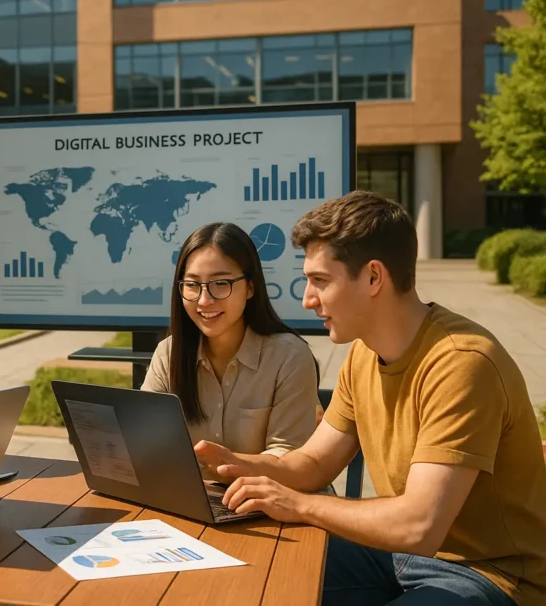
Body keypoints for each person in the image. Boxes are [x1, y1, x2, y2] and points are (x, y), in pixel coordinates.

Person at [195, 191, 546, 606]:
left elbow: (419, 526)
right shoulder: (363, 353)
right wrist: (236, 464)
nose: (308, 299)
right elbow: (314, 463)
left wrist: (299, 505)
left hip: (490, 575)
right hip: (398, 557)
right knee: (246, 570)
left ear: (374, 277)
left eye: (320, 281)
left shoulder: (462, 363)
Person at [143, 222, 320, 468]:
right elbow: (146, 437)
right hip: (183, 490)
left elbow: (289, 456)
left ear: (250, 287)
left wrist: (227, 464)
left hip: (262, 491)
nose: (204, 300)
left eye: (220, 283)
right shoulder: (168, 353)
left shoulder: (289, 357)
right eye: (192, 285)